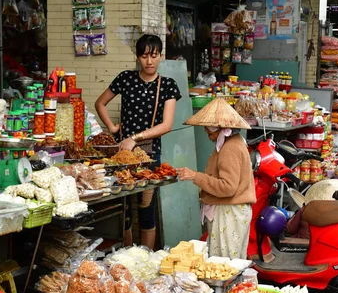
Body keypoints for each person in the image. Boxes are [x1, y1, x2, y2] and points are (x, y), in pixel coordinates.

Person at [95, 34, 181, 250]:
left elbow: (166, 125)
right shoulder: (126, 78)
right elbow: (100, 103)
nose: (149, 61)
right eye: (144, 56)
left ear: (161, 56)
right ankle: (125, 258)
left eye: (153, 56)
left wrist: (134, 138)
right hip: (122, 157)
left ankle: (146, 260)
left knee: (146, 209)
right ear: (137, 57)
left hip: (149, 156)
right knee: (123, 209)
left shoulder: (168, 85)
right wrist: (113, 128)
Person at [177, 98, 256, 258]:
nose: (206, 133)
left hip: (229, 212)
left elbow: (227, 187)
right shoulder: (233, 142)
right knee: (232, 263)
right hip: (232, 211)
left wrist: (195, 176)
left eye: (209, 130)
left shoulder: (230, 148)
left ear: (219, 128)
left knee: (224, 264)